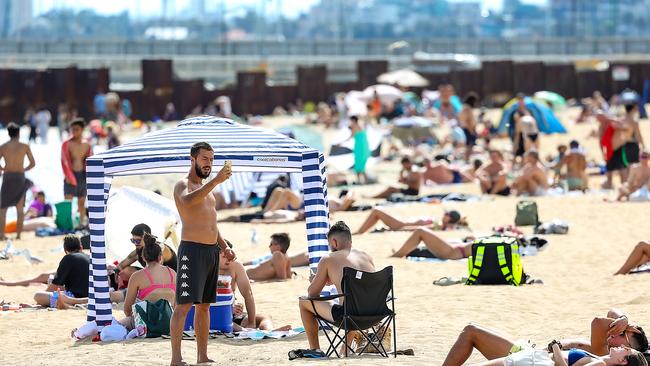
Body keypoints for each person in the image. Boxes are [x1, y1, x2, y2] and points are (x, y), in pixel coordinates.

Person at [169, 142, 236, 366]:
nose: (209, 164)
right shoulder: (182, 184)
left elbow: (212, 223)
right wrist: (216, 181)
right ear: (193, 159)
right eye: (205, 159)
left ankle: (202, 356)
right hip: (192, 251)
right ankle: (176, 359)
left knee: (205, 305)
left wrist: (224, 245)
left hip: (211, 252)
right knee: (184, 305)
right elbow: (187, 202)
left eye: (211, 159)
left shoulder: (208, 193)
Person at [442, 309, 648, 366]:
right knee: (471, 331)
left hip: (529, 357)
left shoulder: (603, 351)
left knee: (471, 332)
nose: (615, 331)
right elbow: (611, 313)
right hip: (531, 353)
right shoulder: (606, 350)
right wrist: (624, 318)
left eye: (622, 334)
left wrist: (621, 322)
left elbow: (597, 322)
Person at [298, 221, 375, 354]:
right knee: (355, 301)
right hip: (375, 314)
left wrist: (316, 280)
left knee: (304, 302)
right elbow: (361, 287)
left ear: (334, 242)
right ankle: (345, 349)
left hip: (350, 317)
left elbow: (312, 294)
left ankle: (315, 349)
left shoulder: (328, 258)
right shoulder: (366, 256)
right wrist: (333, 280)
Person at [219, 242, 284, 331]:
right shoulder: (206, 268)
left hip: (231, 315)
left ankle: (269, 331)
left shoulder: (235, 266)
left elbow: (248, 294)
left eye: (231, 256)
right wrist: (228, 308)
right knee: (224, 320)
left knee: (264, 317)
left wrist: (251, 323)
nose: (229, 259)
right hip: (214, 315)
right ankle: (245, 331)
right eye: (224, 257)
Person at [118, 233, 176, 329]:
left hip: (146, 325)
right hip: (169, 324)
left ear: (143, 257)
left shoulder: (137, 276)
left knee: (116, 325)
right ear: (160, 257)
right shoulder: (173, 273)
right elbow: (177, 305)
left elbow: (127, 310)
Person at [32, 235, 90, 308]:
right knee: (59, 294)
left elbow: (54, 286)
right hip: (90, 296)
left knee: (38, 295)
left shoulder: (68, 258)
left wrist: (43, 295)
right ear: (81, 247)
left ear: (65, 250)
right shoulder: (89, 257)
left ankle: (70, 303)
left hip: (75, 297)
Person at [115, 223, 178, 291]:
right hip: (152, 276)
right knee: (125, 272)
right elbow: (121, 265)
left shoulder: (161, 250)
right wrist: (117, 272)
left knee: (145, 278)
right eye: (133, 240)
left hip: (172, 280)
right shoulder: (138, 251)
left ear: (147, 238)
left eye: (138, 240)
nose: (135, 243)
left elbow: (156, 273)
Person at [0, 122, 36, 240]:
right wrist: (23, 169)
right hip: (20, 176)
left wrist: (3, 168)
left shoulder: (3, 146)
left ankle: (1, 234)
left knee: (3, 207)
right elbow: (33, 163)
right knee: (20, 208)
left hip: (8, 176)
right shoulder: (25, 146)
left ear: (9, 133)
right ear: (18, 133)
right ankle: (18, 235)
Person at [61, 119, 92, 228]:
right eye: (72, 129)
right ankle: (67, 224)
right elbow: (63, 161)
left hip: (82, 175)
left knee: (81, 202)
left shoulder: (87, 144)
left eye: (76, 129)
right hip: (70, 175)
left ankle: (82, 223)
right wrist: (67, 175)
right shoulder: (67, 144)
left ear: (82, 130)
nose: (74, 131)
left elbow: (90, 161)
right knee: (68, 201)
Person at [355, 207, 465, 234]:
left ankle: (359, 232)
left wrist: (402, 229)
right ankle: (360, 231)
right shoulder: (440, 224)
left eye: (446, 214)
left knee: (377, 211)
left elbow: (421, 229)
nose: (443, 214)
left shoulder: (440, 225)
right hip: (401, 224)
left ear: (449, 218)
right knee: (377, 212)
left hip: (400, 225)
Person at [390, 228, 472, 259]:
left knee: (420, 231)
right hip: (453, 249)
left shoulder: (481, 246)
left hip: (451, 252)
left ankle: (397, 255)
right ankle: (401, 252)